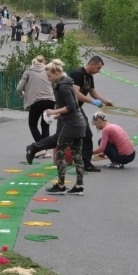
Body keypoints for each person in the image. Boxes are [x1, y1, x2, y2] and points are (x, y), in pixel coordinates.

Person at [42, 59, 85, 196]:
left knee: (60, 153)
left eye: (49, 76)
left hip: (72, 125)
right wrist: (57, 116)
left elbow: (71, 106)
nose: (48, 79)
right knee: (77, 155)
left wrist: (53, 112)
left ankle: (61, 186)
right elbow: (74, 107)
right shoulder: (68, 83)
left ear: (56, 73)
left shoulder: (63, 86)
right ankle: (79, 186)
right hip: (79, 123)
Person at [69, 56, 114, 172]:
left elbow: (92, 91)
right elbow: (75, 93)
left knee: (80, 135)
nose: (98, 71)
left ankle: (83, 160)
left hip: (77, 107)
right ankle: (86, 163)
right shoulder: (77, 74)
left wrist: (104, 101)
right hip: (70, 107)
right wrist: (92, 102)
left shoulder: (89, 76)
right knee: (86, 134)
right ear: (92, 64)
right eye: (98, 68)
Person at [16, 55, 56, 144]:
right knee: (45, 125)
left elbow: (19, 88)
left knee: (33, 124)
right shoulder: (48, 70)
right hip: (50, 100)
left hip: (36, 101)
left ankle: (40, 147)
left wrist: (23, 95)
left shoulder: (28, 71)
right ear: (44, 62)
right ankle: (44, 147)